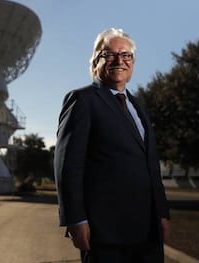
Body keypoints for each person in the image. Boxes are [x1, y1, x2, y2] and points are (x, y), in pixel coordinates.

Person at [54, 28, 170, 263]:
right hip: (105, 232)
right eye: (109, 54)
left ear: (133, 63)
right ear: (95, 61)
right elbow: (68, 165)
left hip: (148, 232)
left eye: (126, 55)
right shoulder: (83, 100)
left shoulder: (139, 107)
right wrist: (76, 219)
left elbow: (151, 166)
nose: (119, 61)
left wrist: (162, 214)